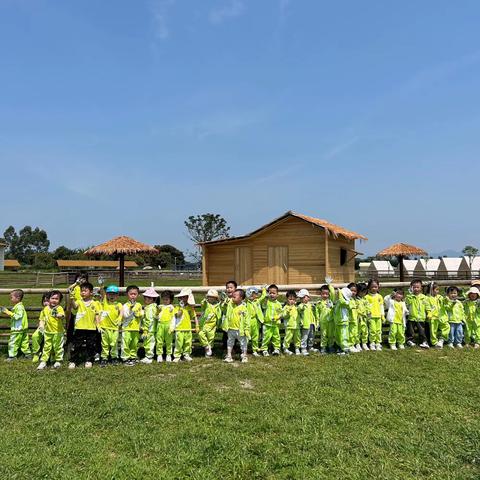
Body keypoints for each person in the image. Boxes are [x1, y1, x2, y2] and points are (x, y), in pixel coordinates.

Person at [69, 282, 101, 369]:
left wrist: (98, 325)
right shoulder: (79, 301)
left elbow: (97, 314)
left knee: (90, 345)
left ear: (91, 292)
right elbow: (75, 307)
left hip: (91, 328)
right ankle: (73, 361)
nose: (82, 292)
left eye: (85, 291)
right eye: (81, 291)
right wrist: (72, 299)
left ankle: (89, 360)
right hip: (80, 327)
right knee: (77, 345)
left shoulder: (95, 303)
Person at [37, 290, 65, 369]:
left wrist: (58, 315)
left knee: (58, 347)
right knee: (46, 347)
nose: (54, 300)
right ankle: (44, 361)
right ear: (48, 299)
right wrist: (41, 326)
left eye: (56, 299)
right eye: (52, 298)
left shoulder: (59, 308)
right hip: (47, 332)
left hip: (58, 332)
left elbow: (62, 315)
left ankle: (58, 360)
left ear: (59, 301)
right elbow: (42, 319)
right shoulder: (45, 309)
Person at [1, 289, 31, 361]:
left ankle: (12, 356)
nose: (10, 299)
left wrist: (7, 312)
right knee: (24, 342)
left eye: (11, 297)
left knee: (13, 342)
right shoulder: (19, 306)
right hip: (22, 328)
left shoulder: (19, 307)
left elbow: (18, 316)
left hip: (17, 328)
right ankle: (28, 354)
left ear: (17, 298)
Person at [223, 289, 250, 363]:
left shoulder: (244, 308)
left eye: (235, 296)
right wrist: (224, 302)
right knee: (230, 342)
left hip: (240, 330)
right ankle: (229, 356)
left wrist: (246, 329)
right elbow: (224, 307)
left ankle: (244, 356)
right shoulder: (230, 305)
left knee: (243, 343)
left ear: (241, 298)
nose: (232, 297)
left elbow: (247, 320)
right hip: (230, 328)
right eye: (232, 296)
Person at [171, 288, 198, 362]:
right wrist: (181, 308)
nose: (183, 299)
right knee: (178, 343)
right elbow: (178, 315)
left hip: (188, 328)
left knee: (188, 342)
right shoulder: (177, 307)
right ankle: (177, 356)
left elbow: (194, 316)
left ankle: (186, 354)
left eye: (185, 297)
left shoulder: (190, 308)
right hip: (179, 328)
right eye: (181, 297)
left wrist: (197, 326)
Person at [99, 285, 123, 366]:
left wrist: (120, 317)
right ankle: (104, 358)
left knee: (114, 343)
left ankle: (114, 357)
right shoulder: (105, 302)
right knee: (104, 344)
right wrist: (101, 286)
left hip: (114, 328)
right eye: (109, 294)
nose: (111, 296)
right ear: (107, 295)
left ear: (117, 295)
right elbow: (102, 293)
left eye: (114, 294)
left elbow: (121, 311)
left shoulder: (118, 304)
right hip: (104, 328)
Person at [121, 285, 144, 366]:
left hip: (135, 328)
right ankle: (125, 357)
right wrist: (130, 309)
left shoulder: (139, 305)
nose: (133, 296)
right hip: (126, 328)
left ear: (138, 295)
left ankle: (133, 356)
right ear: (127, 294)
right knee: (126, 343)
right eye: (131, 294)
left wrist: (139, 313)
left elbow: (141, 314)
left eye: (135, 294)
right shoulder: (125, 305)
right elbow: (125, 315)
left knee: (134, 343)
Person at [405, 279, 429, 348]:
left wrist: (428, 312)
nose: (416, 289)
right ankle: (410, 340)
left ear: (421, 288)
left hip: (421, 317)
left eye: (417, 287)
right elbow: (407, 303)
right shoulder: (409, 297)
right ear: (411, 288)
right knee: (410, 330)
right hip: (412, 317)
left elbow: (427, 306)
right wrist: (410, 294)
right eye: (414, 287)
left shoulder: (424, 297)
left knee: (422, 331)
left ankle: (424, 341)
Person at [198, 289, 222, 357]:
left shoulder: (218, 305)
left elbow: (221, 309)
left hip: (212, 325)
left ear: (216, 298)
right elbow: (203, 303)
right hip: (205, 324)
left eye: (213, 297)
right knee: (201, 334)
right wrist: (205, 300)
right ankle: (206, 346)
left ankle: (208, 351)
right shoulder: (206, 304)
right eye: (209, 297)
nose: (211, 298)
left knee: (211, 337)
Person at [260, 284, 283, 356]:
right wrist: (264, 293)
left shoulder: (278, 304)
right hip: (267, 324)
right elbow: (262, 304)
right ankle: (264, 349)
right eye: (270, 293)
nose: (272, 295)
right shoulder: (267, 302)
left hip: (275, 324)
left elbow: (280, 313)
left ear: (277, 294)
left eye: (274, 293)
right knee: (266, 337)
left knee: (276, 337)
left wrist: (277, 317)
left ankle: (276, 349)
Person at [426, 282, 449, 348]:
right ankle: (434, 342)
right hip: (433, 317)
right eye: (436, 289)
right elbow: (427, 307)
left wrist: (446, 300)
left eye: (438, 289)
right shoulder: (427, 298)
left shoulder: (440, 297)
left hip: (442, 316)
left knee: (446, 327)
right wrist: (429, 313)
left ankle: (442, 339)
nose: (438, 291)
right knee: (433, 330)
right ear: (431, 290)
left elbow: (444, 302)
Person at [245, 286, 266, 357]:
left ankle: (255, 350)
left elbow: (263, 296)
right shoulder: (245, 303)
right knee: (247, 336)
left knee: (255, 336)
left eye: (255, 294)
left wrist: (263, 289)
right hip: (248, 322)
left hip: (256, 321)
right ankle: (244, 350)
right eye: (251, 294)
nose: (253, 295)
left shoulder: (257, 301)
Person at [140, 287, 159, 364]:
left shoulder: (151, 308)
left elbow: (149, 319)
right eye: (145, 297)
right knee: (147, 343)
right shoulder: (150, 307)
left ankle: (149, 356)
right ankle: (147, 355)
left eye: (149, 298)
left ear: (153, 299)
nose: (146, 299)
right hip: (149, 329)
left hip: (150, 330)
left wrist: (145, 329)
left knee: (150, 343)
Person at [365, 279, 384, 351]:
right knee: (372, 330)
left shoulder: (379, 296)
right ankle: (372, 343)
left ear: (378, 287)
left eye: (376, 287)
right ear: (369, 287)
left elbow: (381, 306)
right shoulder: (366, 297)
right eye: (372, 287)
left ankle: (378, 343)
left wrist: (382, 315)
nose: (374, 288)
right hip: (371, 317)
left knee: (378, 330)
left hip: (378, 316)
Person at [316, 283, 335, 354]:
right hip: (323, 322)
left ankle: (330, 346)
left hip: (331, 321)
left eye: (327, 294)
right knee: (324, 335)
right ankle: (323, 347)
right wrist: (317, 322)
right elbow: (317, 314)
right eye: (323, 294)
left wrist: (329, 285)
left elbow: (333, 292)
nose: (325, 295)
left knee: (331, 335)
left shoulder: (331, 301)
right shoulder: (319, 303)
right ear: (320, 294)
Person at [156, 290, 175, 362]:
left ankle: (168, 354)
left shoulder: (171, 308)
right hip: (160, 325)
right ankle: (159, 354)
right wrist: (157, 312)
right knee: (159, 340)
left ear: (171, 300)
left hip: (168, 325)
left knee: (169, 341)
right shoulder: (160, 307)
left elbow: (173, 318)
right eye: (163, 299)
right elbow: (156, 317)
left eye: (167, 299)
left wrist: (172, 327)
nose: (165, 301)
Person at [31, 292, 50, 363]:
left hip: (52, 329)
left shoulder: (54, 310)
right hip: (42, 328)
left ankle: (48, 353)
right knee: (35, 336)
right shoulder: (43, 311)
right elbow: (41, 320)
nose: (46, 303)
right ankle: (36, 353)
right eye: (44, 301)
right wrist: (41, 326)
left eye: (47, 301)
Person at [282, 290, 300, 355]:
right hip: (289, 326)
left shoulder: (296, 307)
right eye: (290, 299)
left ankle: (297, 348)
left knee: (297, 337)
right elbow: (284, 316)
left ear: (295, 300)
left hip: (296, 326)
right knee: (288, 338)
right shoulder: (285, 307)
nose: (292, 301)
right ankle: (285, 348)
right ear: (287, 299)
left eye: (293, 299)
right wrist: (287, 312)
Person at [356, 283, 370, 351]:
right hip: (358, 318)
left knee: (365, 331)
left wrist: (369, 312)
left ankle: (364, 343)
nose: (363, 293)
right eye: (362, 291)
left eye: (365, 292)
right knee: (357, 331)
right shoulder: (355, 300)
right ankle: (357, 343)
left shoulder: (365, 300)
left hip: (364, 318)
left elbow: (368, 307)